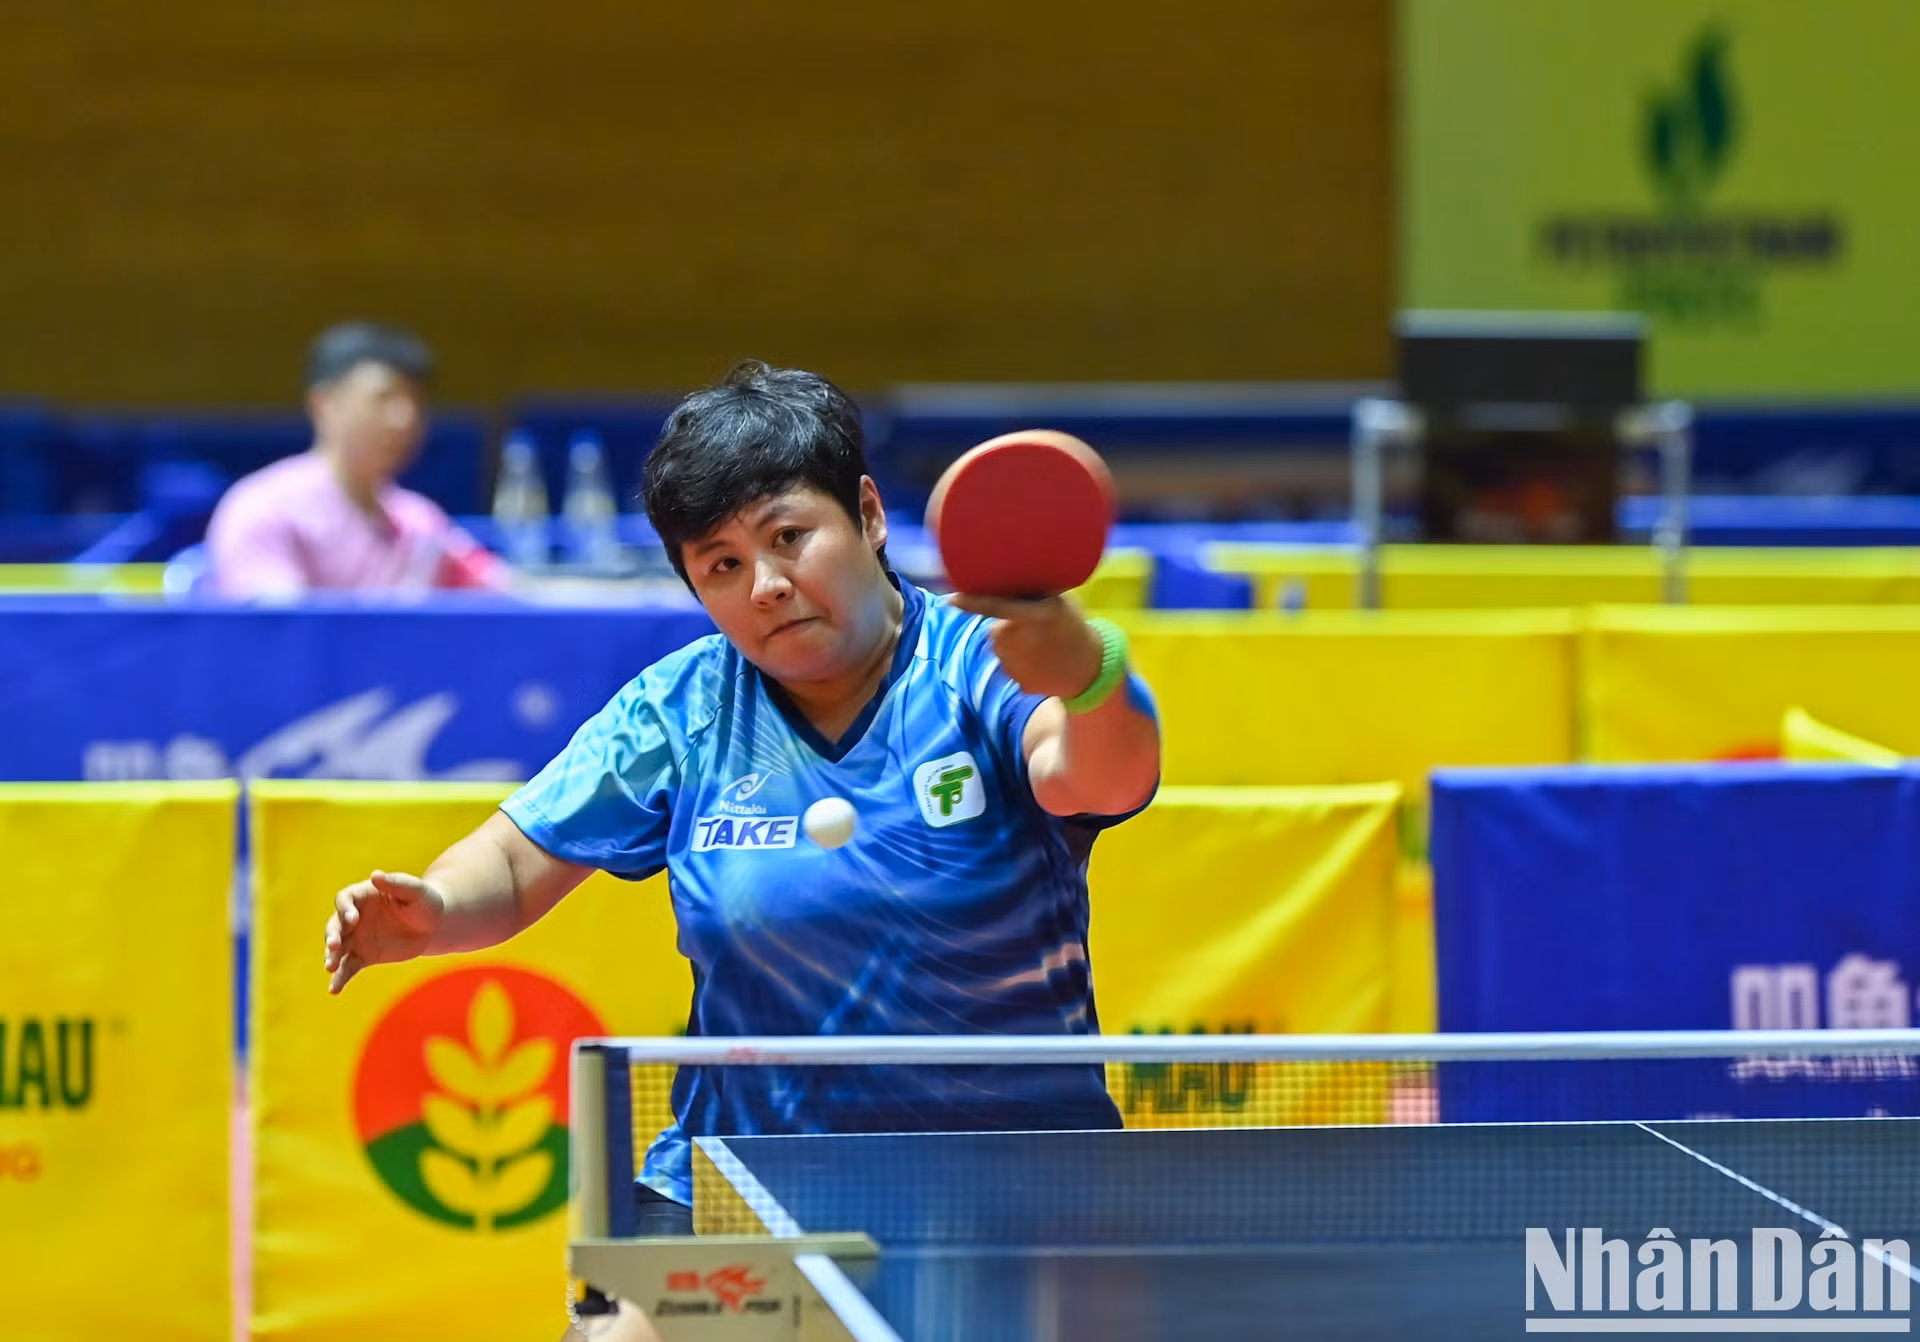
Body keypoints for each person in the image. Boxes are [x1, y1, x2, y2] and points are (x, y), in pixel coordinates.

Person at [322, 360, 1162, 1336]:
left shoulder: (978, 660)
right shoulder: (682, 708)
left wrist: (1093, 675)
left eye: (788, 538)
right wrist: (433, 905)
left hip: (1014, 1190)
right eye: (720, 565)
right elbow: (512, 860)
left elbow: (1099, 776)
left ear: (869, 515)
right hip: (746, 1185)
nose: (764, 585)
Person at [204, 321, 510, 600]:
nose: (404, 419)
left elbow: (510, 594)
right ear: (324, 404)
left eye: (415, 401)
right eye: (383, 398)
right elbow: (281, 638)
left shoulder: (418, 520)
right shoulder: (264, 509)